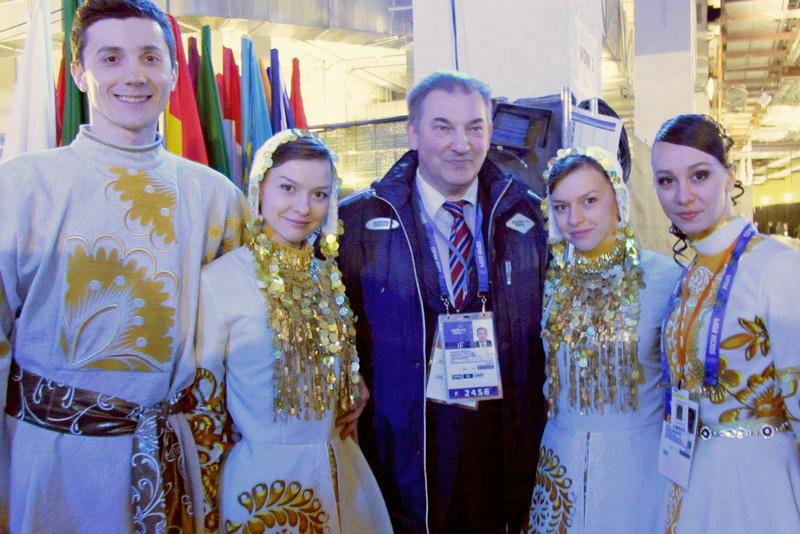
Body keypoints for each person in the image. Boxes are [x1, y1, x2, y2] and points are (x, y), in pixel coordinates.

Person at [0, 1, 244, 532]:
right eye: (111, 58)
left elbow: (247, 334)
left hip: (173, 456)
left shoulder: (217, 197)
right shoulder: (20, 187)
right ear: (78, 73)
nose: (134, 75)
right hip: (52, 463)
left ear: (173, 72)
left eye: (150, 57)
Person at [338, 70, 548, 533]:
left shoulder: (530, 217)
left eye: (475, 127)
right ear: (413, 133)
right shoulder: (356, 224)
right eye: (443, 127)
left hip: (500, 440)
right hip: (404, 441)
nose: (461, 144)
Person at [190, 130, 393, 533]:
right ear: (259, 188)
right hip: (262, 486)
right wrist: (206, 505)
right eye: (288, 188)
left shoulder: (327, 276)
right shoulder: (219, 281)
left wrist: (352, 384)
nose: (303, 207)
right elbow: (203, 411)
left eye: (319, 194)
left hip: (343, 474)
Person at [651, 114, 800, 533]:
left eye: (699, 175)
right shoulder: (690, 274)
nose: (683, 195)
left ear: (730, 174)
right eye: (666, 181)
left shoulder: (777, 267)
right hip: (691, 476)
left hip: (758, 485)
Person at [525, 146, 679, 533]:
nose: (574, 219)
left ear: (617, 198)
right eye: (561, 207)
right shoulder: (547, 282)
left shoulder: (666, 278)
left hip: (639, 468)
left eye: (589, 201)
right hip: (561, 461)